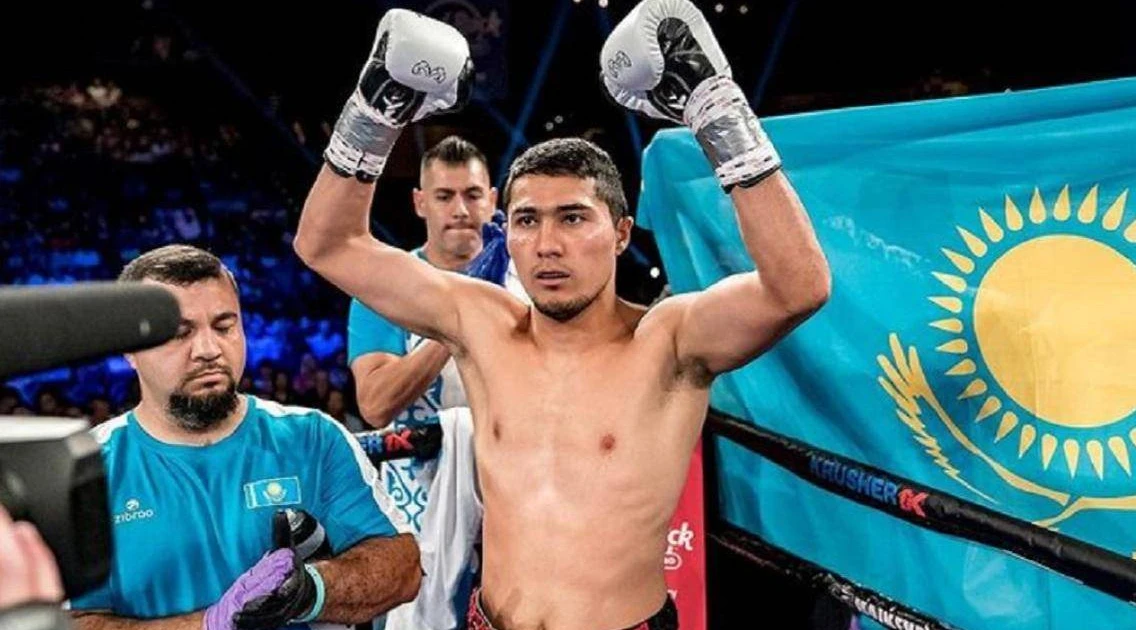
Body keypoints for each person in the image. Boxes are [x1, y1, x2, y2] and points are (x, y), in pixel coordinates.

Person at [295, 2, 830, 629]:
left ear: (621, 232)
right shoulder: (482, 322)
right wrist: (375, 109)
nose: (547, 245)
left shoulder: (668, 340)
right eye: (527, 220)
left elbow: (798, 286)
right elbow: (326, 244)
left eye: (573, 218)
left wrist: (717, 108)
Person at [67, 244, 423, 630]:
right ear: (129, 348)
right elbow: (71, 622)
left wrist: (311, 590)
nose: (208, 350)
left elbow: (402, 568)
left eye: (224, 327)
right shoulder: (88, 471)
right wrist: (207, 625)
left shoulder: (313, 437)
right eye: (179, 333)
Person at [347, 135, 527, 630]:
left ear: (493, 199)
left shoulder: (530, 283)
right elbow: (375, 403)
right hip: (419, 505)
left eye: (473, 194)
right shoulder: (389, 288)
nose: (461, 210)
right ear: (420, 202)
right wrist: (461, 314)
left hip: (518, 503)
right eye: (445, 196)